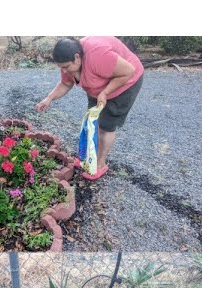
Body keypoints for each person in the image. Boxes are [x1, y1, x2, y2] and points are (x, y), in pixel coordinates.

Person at [35, 36, 145, 181]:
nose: (64, 71)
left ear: (77, 57)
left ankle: (100, 163)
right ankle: (88, 158)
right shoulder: (69, 63)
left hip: (124, 83)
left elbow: (128, 71)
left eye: (66, 67)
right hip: (98, 85)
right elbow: (66, 83)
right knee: (92, 122)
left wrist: (105, 92)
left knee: (106, 125)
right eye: (61, 67)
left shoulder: (98, 55)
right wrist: (49, 98)